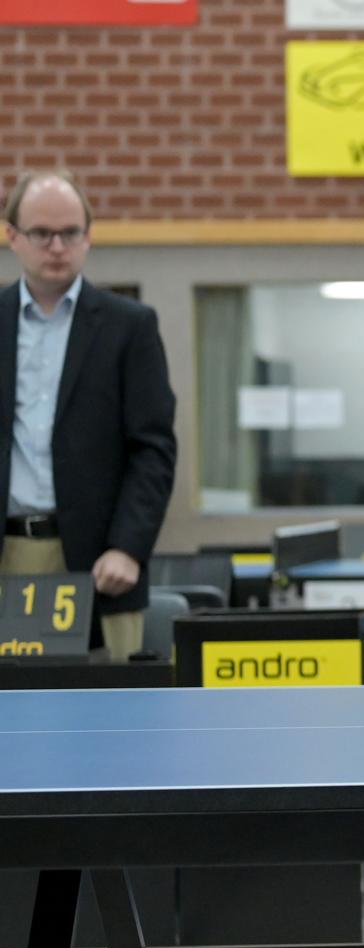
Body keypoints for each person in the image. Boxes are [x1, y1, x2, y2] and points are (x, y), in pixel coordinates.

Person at [2, 169, 176, 660]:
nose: (57, 247)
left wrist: (129, 547)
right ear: (12, 236)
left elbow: (153, 450)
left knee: (109, 701)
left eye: (70, 233)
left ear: (89, 236)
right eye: (41, 233)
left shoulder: (130, 327)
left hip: (104, 564)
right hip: (8, 551)